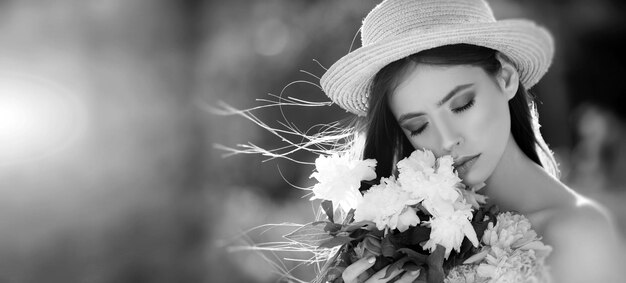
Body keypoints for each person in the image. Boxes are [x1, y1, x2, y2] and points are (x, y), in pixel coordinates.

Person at [311, 0, 625, 282]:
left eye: (461, 105)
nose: (447, 140)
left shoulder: (579, 234)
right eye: (418, 126)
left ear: (505, 78)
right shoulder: (402, 241)